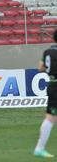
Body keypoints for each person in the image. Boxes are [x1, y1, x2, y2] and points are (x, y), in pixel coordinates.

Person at [34, 30, 57, 158]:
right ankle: (39, 148)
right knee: (51, 117)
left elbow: (40, 68)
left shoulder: (47, 52)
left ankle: (40, 148)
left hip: (52, 84)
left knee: (52, 117)